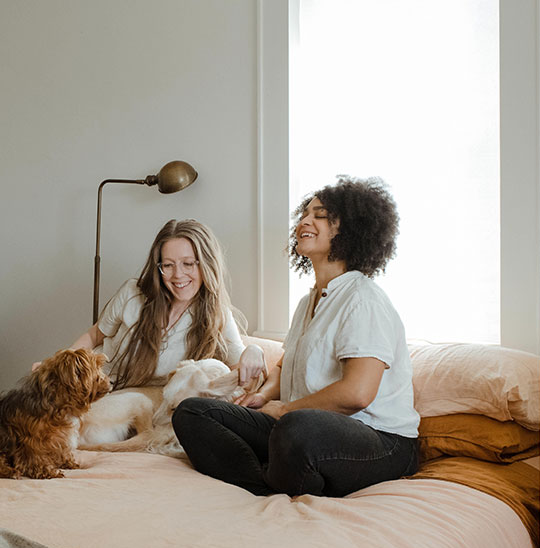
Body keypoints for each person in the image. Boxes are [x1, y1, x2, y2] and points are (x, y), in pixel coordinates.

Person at [172, 177, 420, 497]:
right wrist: (262, 397)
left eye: (319, 215)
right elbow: (285, 363)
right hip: (300, 429)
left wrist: (285, 410)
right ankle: (266, 484)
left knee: (295, 429)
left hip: (381, 442)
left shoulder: (363, 299)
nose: (305, 220)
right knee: (193, 412)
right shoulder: (309, 302)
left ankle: (282, 473)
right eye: (304, 213)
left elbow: (357, 393)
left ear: (349, 229)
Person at [35, 219, 265, 390]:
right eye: (168, 265)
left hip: (144, 405)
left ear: (206, 264)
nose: (178, 275)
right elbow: (95, 336)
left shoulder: (217, 314)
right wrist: (55, 366)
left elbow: (241, 370)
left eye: (188, 264)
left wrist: (255, 350)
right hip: (97, 388)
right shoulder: (133, 293)